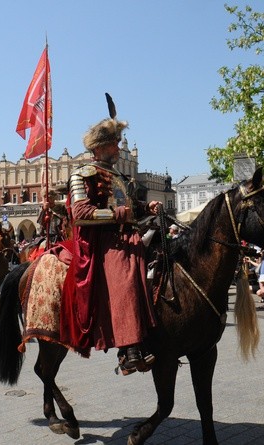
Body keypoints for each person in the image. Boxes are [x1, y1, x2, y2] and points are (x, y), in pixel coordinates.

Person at [62, 96, 159, 375]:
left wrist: (145, 206)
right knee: (124, 272)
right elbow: (79, 212)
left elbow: (126, 204)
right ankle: (128, 350)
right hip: (103, 242)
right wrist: (119, 216)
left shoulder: (118, 175)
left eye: (118, 142)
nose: (118, 147)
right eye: (115, 142)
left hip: (127, 234)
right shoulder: (82, 174)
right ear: (101, 146)